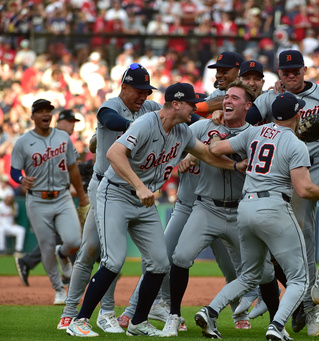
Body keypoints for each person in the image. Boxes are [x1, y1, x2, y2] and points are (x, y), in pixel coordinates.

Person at [66, 82, 245, 337]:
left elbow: (206, 154)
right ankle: (79, 320)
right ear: (176, 104)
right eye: (191, 103)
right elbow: (115, 155)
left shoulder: (182, 131)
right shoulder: (146, 123)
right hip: (116, 193)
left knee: (160, 263)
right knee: (113, 261)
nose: (195, 107)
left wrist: (237, 167)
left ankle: (138, 322)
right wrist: (139, 186)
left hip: (144, 200)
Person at [194, 92, 319, 340]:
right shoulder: (296, 144)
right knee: (300, 279)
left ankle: (210, 311)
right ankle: (277, 326)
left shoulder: (254, 132)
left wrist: (214, 133)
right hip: (273, 207)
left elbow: (215, 149)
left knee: (249, 275)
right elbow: (304, 190)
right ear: (297, 114)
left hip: (245, 208)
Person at [245, 49, 319, 336]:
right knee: (302, 236)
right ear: (279, 74)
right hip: (292, 171)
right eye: (285, 72)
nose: (291, 76)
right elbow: (249, 122)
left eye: (296, 71)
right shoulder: (270, 98)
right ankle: (309, 306)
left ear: (304, 70)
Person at [57, 63, 162, 332]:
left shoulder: (149, 108)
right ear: (124, 87)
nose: (143, 96)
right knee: (97, 251)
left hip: (130, 190)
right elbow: (110, 120)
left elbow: (171, 115)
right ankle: (80, 313)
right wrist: (137, 126)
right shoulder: (110, 105)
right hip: (104, 185)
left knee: (95, 249)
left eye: (147, 92)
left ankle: (95, 312)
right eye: (138, 90)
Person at [167, 80, 276, 335]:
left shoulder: (257, 133)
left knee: (266, 272)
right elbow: (173, 135)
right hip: (207, 208)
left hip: (241, 211)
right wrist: (185, 156)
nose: (227, 101)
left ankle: (276, 321)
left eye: (235, 98)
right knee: (181, 257)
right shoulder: (204, 126)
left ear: (248, 106)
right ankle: (173, 315)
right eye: (226, 97)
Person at [10, 99, 90, 305]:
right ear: (33, 116)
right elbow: (13, 170)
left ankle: (62, 254)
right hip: (37, 200)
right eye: (41, 111)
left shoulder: (63, 137)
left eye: (49, 111)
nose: (46, 114)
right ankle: (58, 290)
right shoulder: (23, 142)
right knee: (45, 247)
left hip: (62, 197)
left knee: (74, 242)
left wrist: (81, 196)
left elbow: (73, 168)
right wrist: (20, 179)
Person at [195, 51, 245, 117]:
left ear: (239, 72)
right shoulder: (220, 91)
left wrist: (193, 110)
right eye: (218, 71)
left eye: (224, 72)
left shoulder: (246, 90)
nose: (218, 75)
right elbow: (207, 104)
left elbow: (223, 100)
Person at [0, 186, 25, 256]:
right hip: (2, 226)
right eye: (8, 197)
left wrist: (14, 223)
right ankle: (1, 250)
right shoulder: (1, 205)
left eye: (10, 198)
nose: (9, 199)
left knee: (21, 230)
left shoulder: (14, 205)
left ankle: (18, 250)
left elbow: (14, 217)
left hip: (10, 226)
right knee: (1, 230)